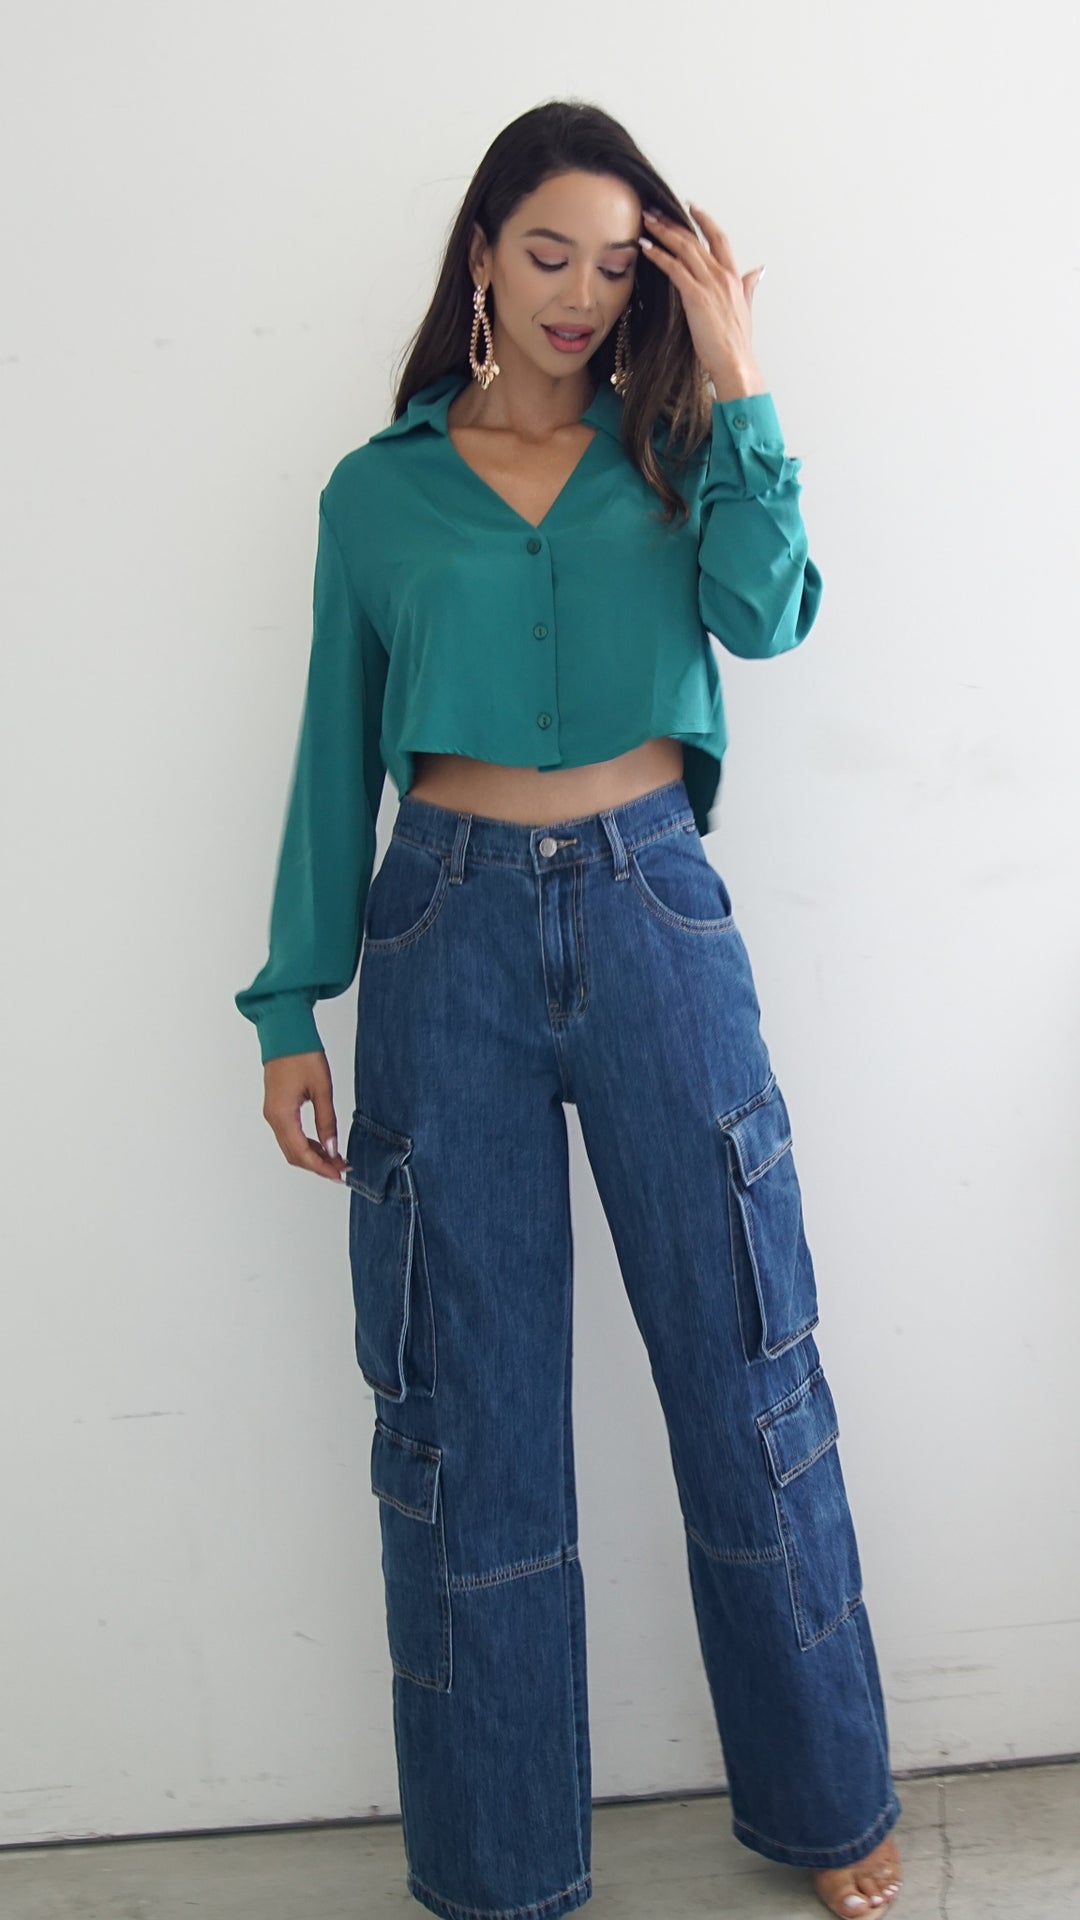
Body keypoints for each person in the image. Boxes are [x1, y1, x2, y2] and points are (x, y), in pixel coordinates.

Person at [235, 99, 903, 1920]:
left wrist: (741, 377)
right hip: (440, 935)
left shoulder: (679, 455)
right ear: (480, 253)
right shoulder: (376, 493)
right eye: (549, 254)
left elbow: (768, 618)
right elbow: (330, 754)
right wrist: (290, 1005)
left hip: (653, 916)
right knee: (464, 1415)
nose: (582, 296)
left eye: (619, 267)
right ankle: (502, 1862)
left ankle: (829, 1797)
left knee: (747, 1362)